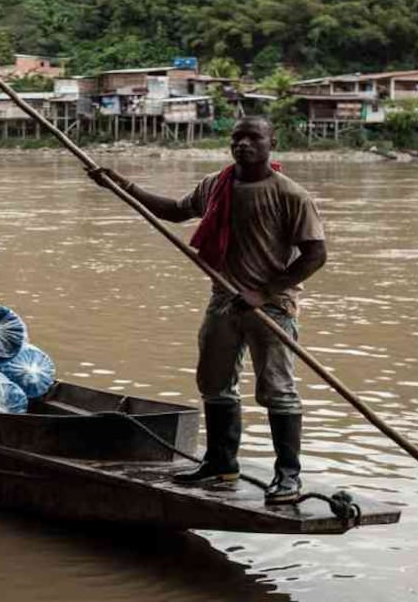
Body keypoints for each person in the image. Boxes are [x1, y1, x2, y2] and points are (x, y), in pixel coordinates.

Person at [89, 117, 326, 505]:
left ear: (272, 142)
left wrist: (264, 291)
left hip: (271, 307)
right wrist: (123, 186)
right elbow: (175, 211)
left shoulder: (290, 194)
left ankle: (288, 477)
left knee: (278, 391)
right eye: (237, 138)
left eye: (253, 137)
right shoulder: (216, 185)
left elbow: (315, 255)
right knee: (214, 384)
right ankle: (220, 463)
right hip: (223, 301)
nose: (243, 144)